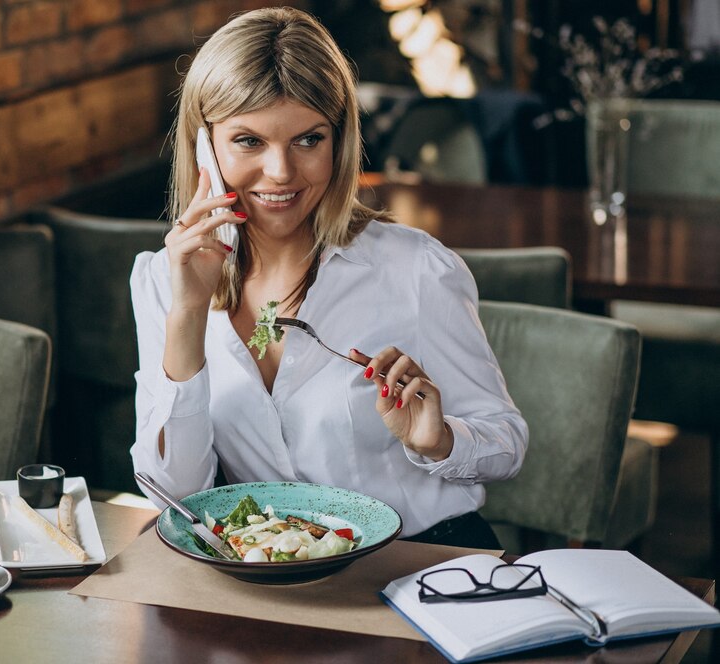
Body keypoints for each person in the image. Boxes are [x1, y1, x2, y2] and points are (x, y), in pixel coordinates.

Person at [129, 7, 527, 548]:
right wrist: (189, 314)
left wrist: (439, 441)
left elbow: (508, 443)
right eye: (248, 141)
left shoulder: (416, 269)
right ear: (205, 146)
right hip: (274, 582)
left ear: (339, 141)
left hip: (423, 563)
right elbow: (171, 492)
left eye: (308, 139)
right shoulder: (162, 282)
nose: (281, 172)